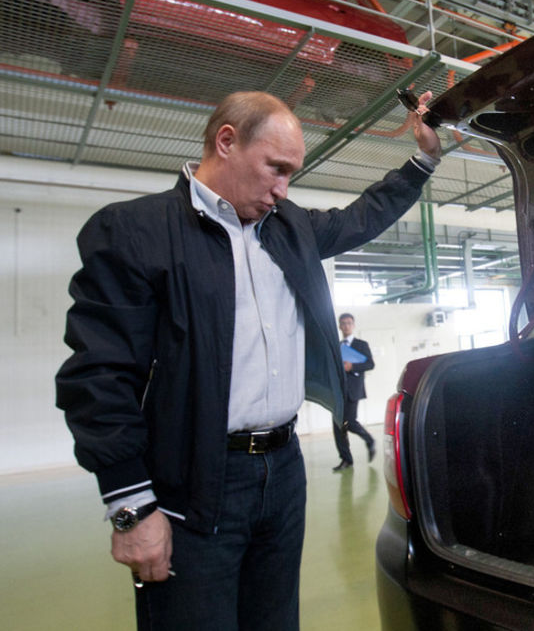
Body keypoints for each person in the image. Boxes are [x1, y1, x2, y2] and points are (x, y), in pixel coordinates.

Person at [55, 89, 441, 630]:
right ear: (226, 141)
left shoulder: (289, 228)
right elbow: (98, 375)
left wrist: (424, 159)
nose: (283, 189)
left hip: (283, 473)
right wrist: (131, 506)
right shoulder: (136, 232)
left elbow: (363, 216)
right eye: (275, 169)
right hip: (193, 481)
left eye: (291, 175)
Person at [332, 313, 375, 471]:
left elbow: (370, 364)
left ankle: (369, 440)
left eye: (349, 323)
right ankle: (346, 459)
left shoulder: (361, 345)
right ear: (339, 326)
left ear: (353, 325)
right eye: (343, 323)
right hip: (338, 391)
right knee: (338, 425)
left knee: (349, 422)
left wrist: (352, 367)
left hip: (353, 389)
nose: (346, 326)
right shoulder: (337, 346)